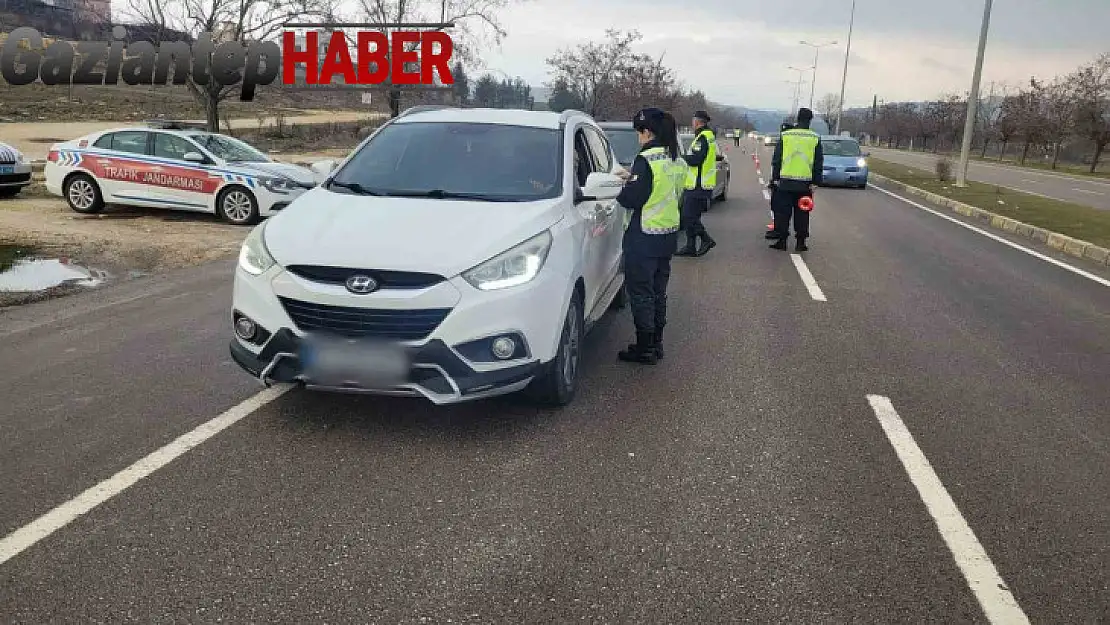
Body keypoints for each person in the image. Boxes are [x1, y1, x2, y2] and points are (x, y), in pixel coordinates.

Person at [614, 108, 682, 364]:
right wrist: (633, 179)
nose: (637, 138)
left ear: (646, 131)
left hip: (644, 237)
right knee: (657, 292)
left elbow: (632, 199)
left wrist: (624, 186)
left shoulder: (647, 158)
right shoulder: (675, 157)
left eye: (638, 132)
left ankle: (645, 348)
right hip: (667, 235)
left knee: (641, 293)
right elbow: (670, 193)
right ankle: (657, 344)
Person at [767, 108, 823, 252]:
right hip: (805, 184)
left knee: (782, 213)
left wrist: (775, 178)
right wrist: (816, 182)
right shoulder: (815, 137)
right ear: (810, 120)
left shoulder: (785, 135)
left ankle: (782, 241)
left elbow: (777, 159)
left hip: (785, 183)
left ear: (797, 118)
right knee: (803, 213)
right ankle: (800, 242)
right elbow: (818, 162)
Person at [675, 110, 717, 257]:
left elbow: (696, 159)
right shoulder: (706, 136)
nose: (692, 123)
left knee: (688, 216)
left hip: (698, 185)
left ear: (698, 122)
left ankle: (706, 239)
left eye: (693, 121)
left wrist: (682, 158)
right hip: (700, 184)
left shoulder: (702, 138)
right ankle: (690, 246)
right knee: (692, 217)